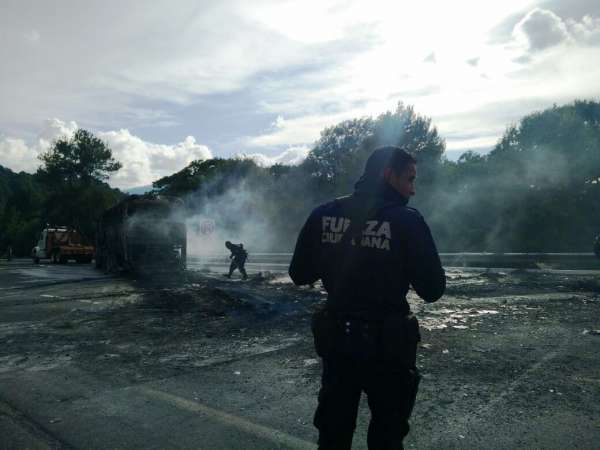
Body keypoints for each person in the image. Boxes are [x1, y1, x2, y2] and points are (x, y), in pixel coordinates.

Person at [289, 146, 445, 450]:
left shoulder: (323, 214)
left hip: (338, 343)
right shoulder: (407, 221)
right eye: (410, 179)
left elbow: (299, 274)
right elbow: (432, 290)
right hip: (388, 351)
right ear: (389, 175)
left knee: (333, 434)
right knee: (386, 437)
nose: (412, 190)